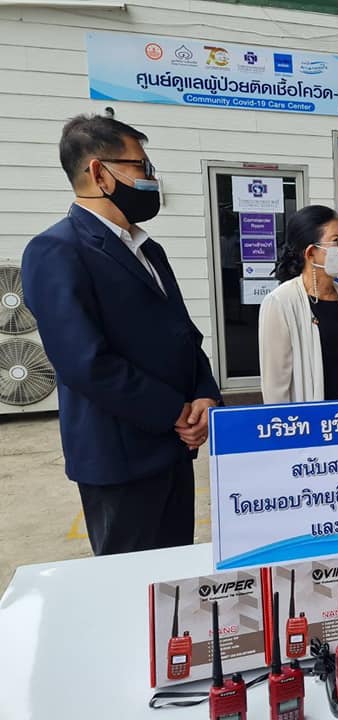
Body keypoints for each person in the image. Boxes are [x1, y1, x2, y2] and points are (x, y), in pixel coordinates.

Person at [20, 114, 221, 555]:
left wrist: (205, 394)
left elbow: (183, 334)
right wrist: (173, 411)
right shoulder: (57, 250)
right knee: (130, 581)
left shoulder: (149, 249)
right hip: (120, 458)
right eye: (140, 166)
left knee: (173, 577)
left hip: (174, 446)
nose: (150, 178)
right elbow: (84, 362)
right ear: (99, 173)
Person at [258, 205, 338, 404]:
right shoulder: (280, 302)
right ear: (310, 253)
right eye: (337, 241)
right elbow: (275, 385)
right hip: (307, 417)